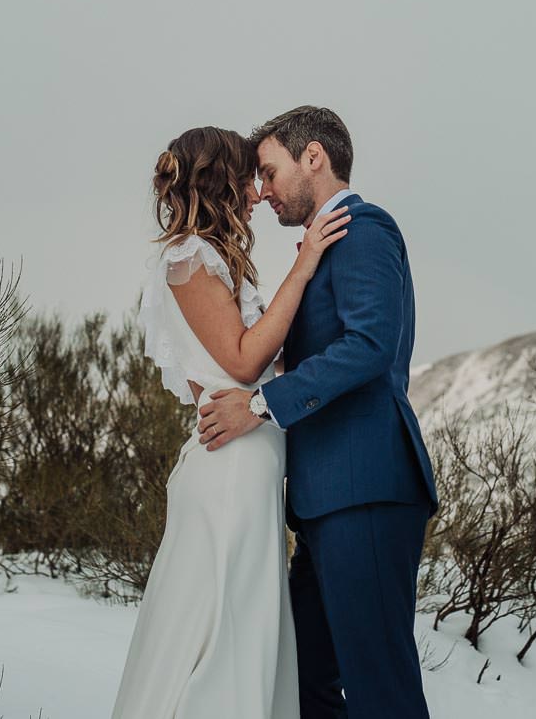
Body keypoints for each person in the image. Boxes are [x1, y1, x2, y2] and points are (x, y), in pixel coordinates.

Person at [197, 105, 438, 719]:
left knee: (380, 685)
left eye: (270, 173)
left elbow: (369, 345)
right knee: (306, 680)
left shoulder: (364, 229)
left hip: (366, 487)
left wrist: (259, 404)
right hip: (327, 499)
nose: (263, 192)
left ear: (314, 158)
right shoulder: (326, 243)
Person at [110, 124, 351, 719]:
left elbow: (271, 361)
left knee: (245, 632)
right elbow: (243, 359)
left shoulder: (218, 261)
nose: (258, 193)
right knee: (221, 637)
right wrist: (308, 261)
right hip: (229, 472)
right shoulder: (187, 258)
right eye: (250, 178)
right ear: (222, 182)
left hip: (253, 470)